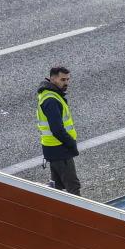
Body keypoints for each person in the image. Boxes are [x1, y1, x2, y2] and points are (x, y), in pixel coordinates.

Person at [36, 65, 80, 194]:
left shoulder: (49, 95)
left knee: (57, 187)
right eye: (63, 80)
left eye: (68, 79)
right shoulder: (51, 100)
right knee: (73, 186)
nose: (66, 83)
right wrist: (71, 143)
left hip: (52, 148)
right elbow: (57, 129)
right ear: (53, 79)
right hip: (60, 148)